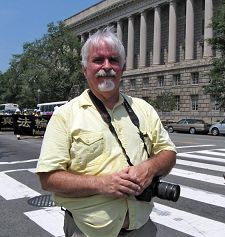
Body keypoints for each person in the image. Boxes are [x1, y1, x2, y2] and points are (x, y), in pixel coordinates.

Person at [36, 27, 177, 237]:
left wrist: (150, 167)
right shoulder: (65, 116)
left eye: (113, 59)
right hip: (87, 232)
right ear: (85, 69)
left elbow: (169, 153)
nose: (107, 66)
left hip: (142, 229)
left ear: (123, 67)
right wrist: (103, 184)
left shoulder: (143, 109)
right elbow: (48, 178)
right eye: (98, 60)